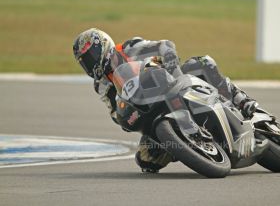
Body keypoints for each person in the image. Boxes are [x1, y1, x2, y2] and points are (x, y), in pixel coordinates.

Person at [73, 28, 258, 173]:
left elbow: (164, 45)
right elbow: (114, 111)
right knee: (146, 160)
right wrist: (122, 116)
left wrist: (169, 58)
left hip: (173, 83)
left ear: (103, 45)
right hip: (149, 110)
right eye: (84, 62)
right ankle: (184, 145)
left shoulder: (129, 47)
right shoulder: (101, 86)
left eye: (91, 56)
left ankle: (241, 100)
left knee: (201, 63)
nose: (90, 64)